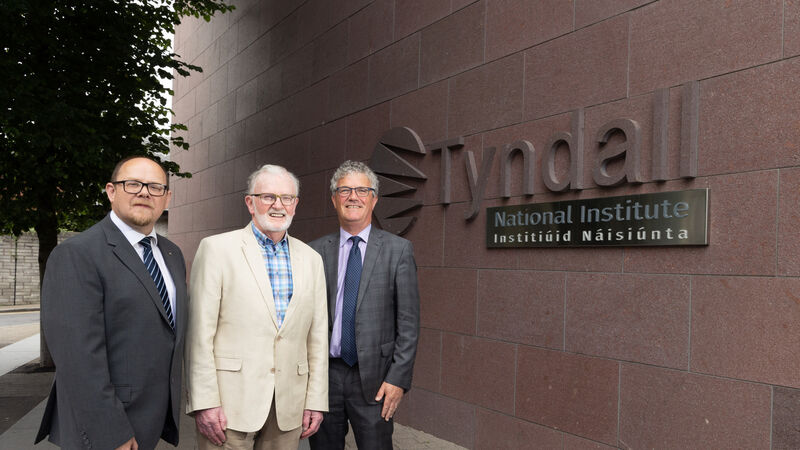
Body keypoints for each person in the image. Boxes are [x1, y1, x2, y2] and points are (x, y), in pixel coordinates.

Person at [35, 156, 186, 450]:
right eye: (133, 184)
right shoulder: (78, 254)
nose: (144, 192)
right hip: (104, 428)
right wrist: (110, 432)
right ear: (111, 191)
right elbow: (77, 357)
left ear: (167, 197)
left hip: (150, 418)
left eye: (155, 187)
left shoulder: (171, 254)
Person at [185, 164, 328, 450]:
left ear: (296, 204)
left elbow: (318, 337)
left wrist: (316, 400)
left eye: (287, 198)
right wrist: (204, 402)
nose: (278, 205)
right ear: (250, 203)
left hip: (289, 405)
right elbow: (199, 335)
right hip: (228, 407)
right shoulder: (216, 249)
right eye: (268, 197)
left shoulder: (312, 259)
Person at [309, 160, 420, 450]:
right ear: (334, 199)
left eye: (362, 190)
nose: (353, 197)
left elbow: (408, 324)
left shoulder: (398, 250)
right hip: (325, 377)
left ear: (374, 199)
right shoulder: (314, 252)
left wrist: (398, 379)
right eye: (345, 190)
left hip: (375, 380)